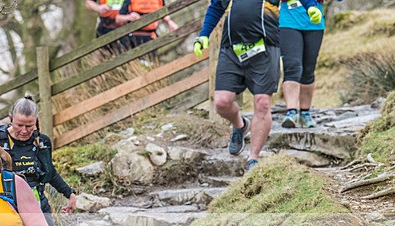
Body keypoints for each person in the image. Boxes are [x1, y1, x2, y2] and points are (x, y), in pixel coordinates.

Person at [193, 0, 283, 171]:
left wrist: (312, 7)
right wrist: (204, 34)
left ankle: (253, 159)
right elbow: (216, 7)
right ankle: (240, 126)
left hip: (266, 46)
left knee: (262, 103)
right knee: (221, 102)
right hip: (231, 49)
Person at [0, 97, 76, 226]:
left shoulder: (42, 142)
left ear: (36, 121)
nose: (24, 131)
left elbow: (50, 172)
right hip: (6, 203)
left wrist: (70, 194)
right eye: (19, 125)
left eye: (29, 126)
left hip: (36, 200)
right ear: (10, 118)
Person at [279, 0, 326, 128]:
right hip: (288, 22)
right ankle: (291, 112)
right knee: (292, 66)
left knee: (308, 69)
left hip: (315, 24)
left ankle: (305, 113)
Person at [85, 1, 178, 51]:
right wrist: (98, 8)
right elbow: (87, 3)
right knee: (102, 60)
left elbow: (160, 8)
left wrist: (169, 21)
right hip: (106, 28)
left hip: (127, 31)